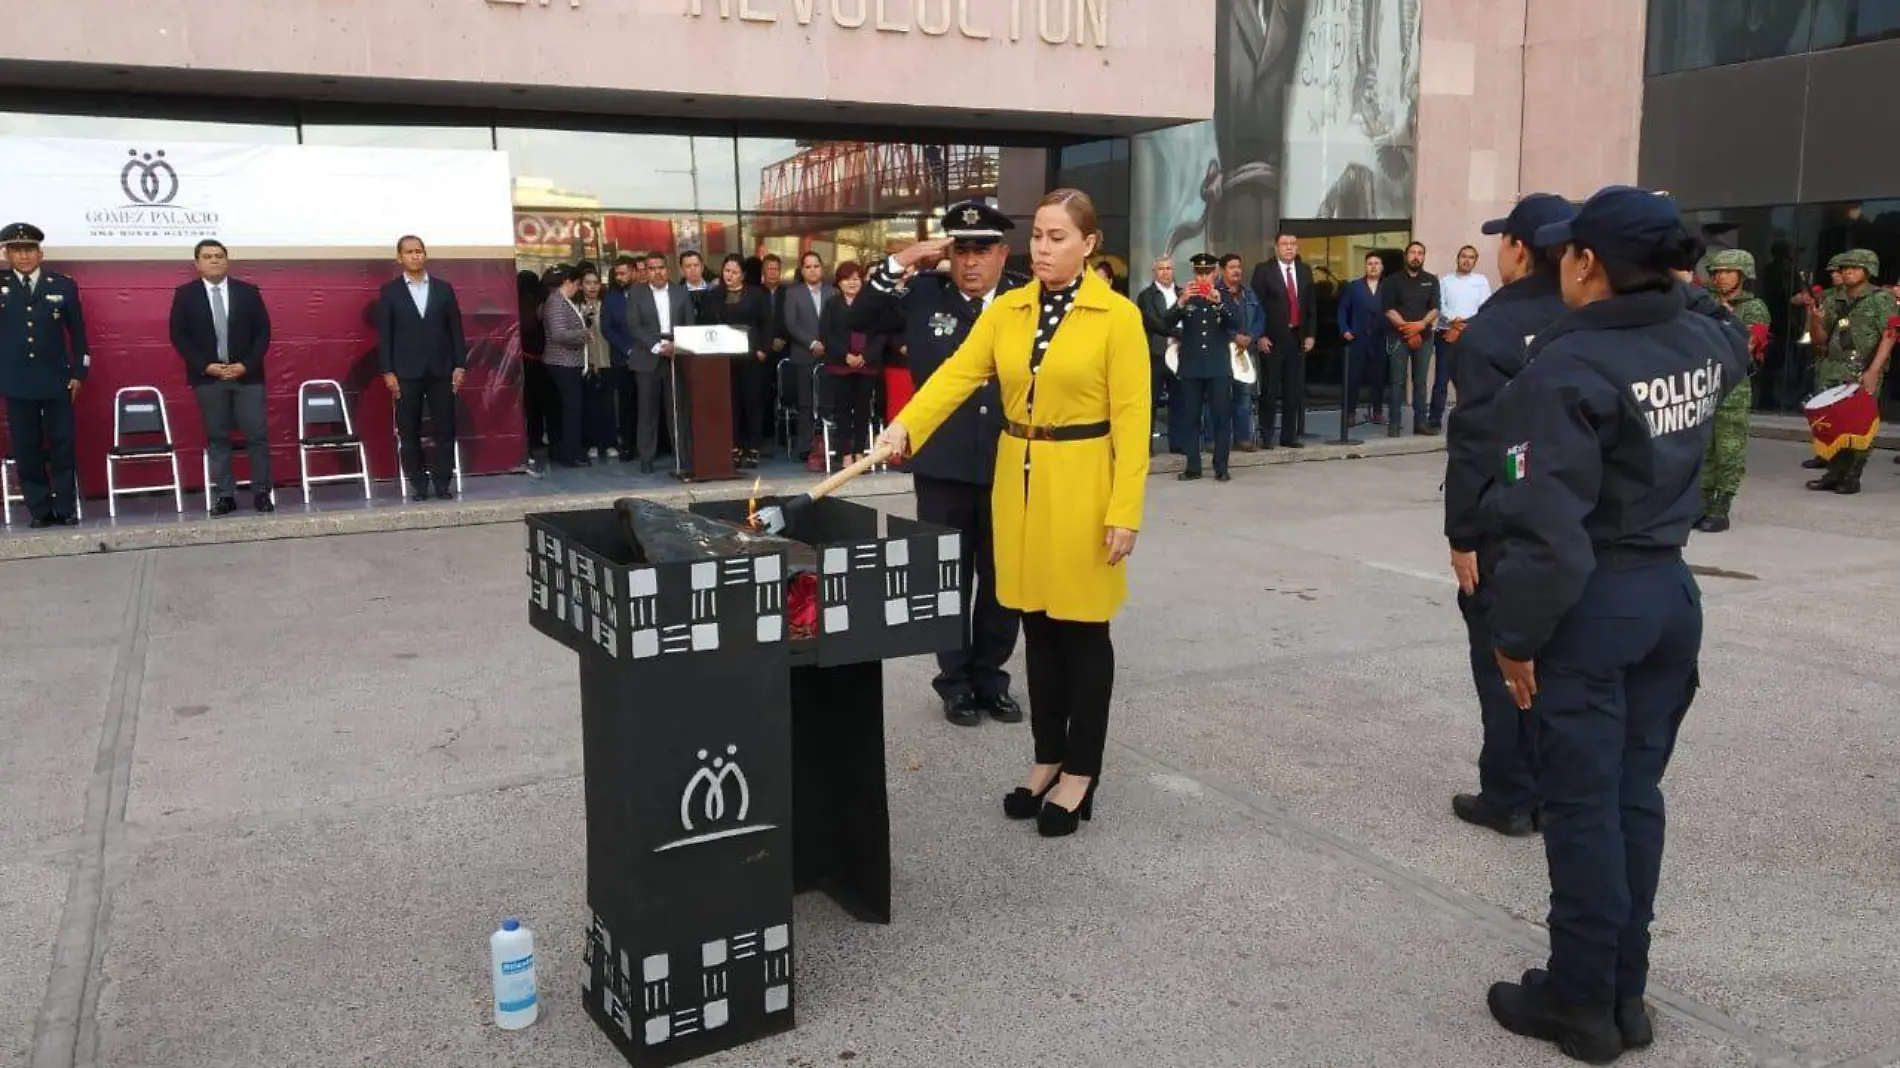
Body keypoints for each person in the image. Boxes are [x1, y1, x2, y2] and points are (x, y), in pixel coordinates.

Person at [1481, 186, 1749, 1063]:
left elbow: (1547, 531)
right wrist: (1679, 285)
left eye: (1568, 253)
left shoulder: (1565, 367)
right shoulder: (1703, 336)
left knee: (1584, 807)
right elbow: (1725, 329)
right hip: (1666, 597)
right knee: (1634, 797)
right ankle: (1624, 991)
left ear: (1588, 264)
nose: (1559, 264)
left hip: (1593, 603)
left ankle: (1582, 1001)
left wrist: (1514, 637)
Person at [878, 188, 1149, 837]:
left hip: (1084, 480)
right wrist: (904, 427)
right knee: (1038, 626)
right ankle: (1047, 759)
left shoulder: (1117, 317)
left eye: (1059, 237)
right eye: (1039, 237)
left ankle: (1082, 773)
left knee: (1083, 631)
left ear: (1089, 244)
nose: (1045, 248)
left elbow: (1135, 419)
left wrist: (1126, 507)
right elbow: (953, 375)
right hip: (1018, 478)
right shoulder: (1010, 312)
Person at [1440, 193, 1575, 839]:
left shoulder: (1492, 329)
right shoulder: (1589, 313)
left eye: (1502, 241)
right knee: (1560, 662)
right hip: (1573, 520)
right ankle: (1552, 790)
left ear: (1520, 249)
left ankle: (1509, 795)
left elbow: (1476, 442)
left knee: (1501, 659)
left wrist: (1461, 532)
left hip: (1503, 522)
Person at [864, 200, 1028, 726]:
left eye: (983, 250)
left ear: (1003, 253)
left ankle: (991, 678)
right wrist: (905, 257)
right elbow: (855, 317)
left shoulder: (1026, 300)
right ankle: (955, 684)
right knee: (948, 580)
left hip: (1011, 462)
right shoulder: (922, 296)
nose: (971, 262)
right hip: (943, 466)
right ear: (947, 253)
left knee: (1004, 582)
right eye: (961, 250)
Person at [169, 239, 275, 514]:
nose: (214, 260)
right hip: (209, 377)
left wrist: (246, 365)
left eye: (219, 256)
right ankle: (225, 495)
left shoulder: (248, 292)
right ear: (197, 263)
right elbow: (179, 337)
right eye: (207, 256)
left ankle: (262, 493)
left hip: (246, 376)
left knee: (257, 435)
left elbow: (263, 333)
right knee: (217, 437)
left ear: (227, 261)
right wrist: (206, 366)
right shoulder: (185, 294)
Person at [0, 222, 89, 527]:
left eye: (28, 250)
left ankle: (65, 508)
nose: (23, 256)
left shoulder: (61, 284)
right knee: (26, 449)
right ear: (6, 254)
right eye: (15, 251)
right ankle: (39, 510)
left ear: (40, 252)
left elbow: (77, 334)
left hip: (56, 380)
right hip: (15, 382)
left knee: (62, 445)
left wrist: (80, 372)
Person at [1795, 249, 1895, 494]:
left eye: (1855, 268)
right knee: (1832, 422)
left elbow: (1891, 334)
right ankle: (1834, 472)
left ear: (1868, 271)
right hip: (1831, 367)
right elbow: (1819, 340)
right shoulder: (1833, 299)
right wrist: (1816, 319)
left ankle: (1852, 475)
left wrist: (1873, 370)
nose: (1848, 271)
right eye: (1845, 268)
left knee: (1859, 423)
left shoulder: (1881, 299)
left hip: (1862, 369)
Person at [376, 235, 468, 501]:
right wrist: (388, 371)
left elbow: (456, 331)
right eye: (409, 252)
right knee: (408, 431)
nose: (415, 256)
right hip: (405, 373)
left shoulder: (443, 289)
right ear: (399, 258)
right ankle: (419, 484)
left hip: (442, 370)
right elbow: (386, 335)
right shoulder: (390, 292)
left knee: (445, 429)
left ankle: (442, 482)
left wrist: (460, 365)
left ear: (425, 255)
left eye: (419, 251)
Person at [1697, 249, 1771, 531]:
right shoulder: (1702, 302)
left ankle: (1721, 505)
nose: (1720, 277)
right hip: (1703, 381)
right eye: (1716, 272)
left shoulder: (1754, 307)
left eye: (1727, 272)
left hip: (1733, 384)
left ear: (1742, 275)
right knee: (1703, 447)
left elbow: (1749, 346)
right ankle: (1700, 503)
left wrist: (1726, 321)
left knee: (1729, 447)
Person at [699, 253, 774, 470]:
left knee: (752, 402)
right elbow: (706, 324)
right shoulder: (713, 296)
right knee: (730, 404)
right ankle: (733, 447)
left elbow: (767, 324)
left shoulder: (757, 294)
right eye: (726, 271)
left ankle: (753, 448)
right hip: (723, 358)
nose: (729, 275)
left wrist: (763, 349)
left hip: (751, 356)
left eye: (734, 272)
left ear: (743, 275)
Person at [1167, 253, 1237, 481]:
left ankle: (1221, 467)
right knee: (1190, 418)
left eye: (1208, 272)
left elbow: (1236, 323)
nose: (1203, 277)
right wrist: (1181, 302)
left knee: (1220, 417)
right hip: (1192, 367)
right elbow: (1165, 322)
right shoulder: (1186, 296)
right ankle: (1193, 466)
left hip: (1218, 367)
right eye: (1199, 272)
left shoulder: (1224, 295)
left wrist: (1219, 304)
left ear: (1215, 273)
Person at [627, 252, 697, 474]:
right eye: (651, 268)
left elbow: (689, 323)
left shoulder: (680, 291)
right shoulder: (636, 293)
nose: (657, 272)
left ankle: (682, 456)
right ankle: (647, 458)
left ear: (668, 269)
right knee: (647, 410)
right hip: (648, 356)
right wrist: (658, 346)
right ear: (645, 272)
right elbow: (634, 326)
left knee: (678, 409)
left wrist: (677, 344)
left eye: (660, 268)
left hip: (675, 356)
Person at [1250, 233, 1318, 447]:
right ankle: (1267, 435)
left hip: (1296, 337)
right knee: (1270, 390)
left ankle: (1289, 436)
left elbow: (1311, 306)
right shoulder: (1263, 270)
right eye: (1284, 244)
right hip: (1272, 338)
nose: (1289, 248)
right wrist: (1259, 335)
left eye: (1292, 244)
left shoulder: (1304, 270)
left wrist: (1310, 334)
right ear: (1276, 247)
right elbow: (1255, 305)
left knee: (1293, 390)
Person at [818, 262, 885, 467]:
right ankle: (845, 453)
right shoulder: (831, 304)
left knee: (863, 409)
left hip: (867, 365)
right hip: (840, 365)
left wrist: (866, 355)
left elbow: (882, 333)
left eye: (856, 278)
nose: (852, 283)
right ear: (839, 282)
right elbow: (826, 334)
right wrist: (844, 355)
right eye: (847, 279)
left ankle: (859, 452)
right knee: (842, 410)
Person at [1433, 244, 1493, 432]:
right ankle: (1434, 421)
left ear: (1475, 261)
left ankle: (1468, 421)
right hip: (1446, 334)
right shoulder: (1445, 281)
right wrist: (1453, 321)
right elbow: (1440, 305)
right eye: (1463, 256)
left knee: (1468, 380)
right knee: (1442, 379)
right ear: (1457, 259)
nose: (1467, 260)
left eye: (1471, 257)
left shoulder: (1481, 281)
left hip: (1470, 334)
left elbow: (1485, 307)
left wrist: (1463, 325)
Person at [1382, 241, 1440, 437]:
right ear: (1406, 256)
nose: (1416, 256)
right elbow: (1389, 309)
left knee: (1420, 382)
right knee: (1396, 382)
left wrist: (1421, 326)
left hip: (1424, 338)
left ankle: (1420, 423)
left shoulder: (1431, 280)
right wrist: (1409, 330)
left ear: (1424, 257)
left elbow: (1435, 309)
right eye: (1413, 252)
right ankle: (1394, 423)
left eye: (1420, 253)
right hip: (1398, 337)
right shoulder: (1392, 281)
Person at [540, 265, 590, 468]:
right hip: (564, 362)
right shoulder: (557, 302)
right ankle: (570, 453)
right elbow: (559, 334)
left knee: (569, 408)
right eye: (577, 284)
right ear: (567, 282)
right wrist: (583, 334)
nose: (577, 288)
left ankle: (568, 449)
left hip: (565, 362)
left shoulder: (559, 301)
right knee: (572, 408)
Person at [1134, 257, 1185, 451]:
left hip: (1180, 354)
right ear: (1154, 272)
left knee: (1180, 401)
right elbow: (1154, 322)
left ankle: (1179, 445)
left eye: (1169, 268)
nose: (1165, 272)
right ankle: (1146, 446)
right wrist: (1178, 333)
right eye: (1161, 269)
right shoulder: (1146, 295)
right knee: (1151, 402)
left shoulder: (1182, 293)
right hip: (1156, 354)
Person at [1336, 252, 1390, 425]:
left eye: (1376, 263)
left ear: (1382, 267)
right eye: (1370, 263)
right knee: (1354, 377)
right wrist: (1344, 329)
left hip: (1380, 337)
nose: (1373, 266)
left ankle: (1377, 411)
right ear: (1365, 267)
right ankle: (1350, 412)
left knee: (1378, 377)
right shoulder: (1354, 287)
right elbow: (1343, 309)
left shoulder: (1388, 287)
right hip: (1358, 338)